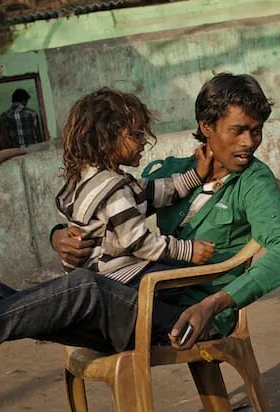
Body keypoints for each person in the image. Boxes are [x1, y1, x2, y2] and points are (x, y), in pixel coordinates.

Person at [0, 73, 280, 364]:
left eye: (257, 130)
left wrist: (217, 302)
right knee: (50, 298)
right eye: (239, 130)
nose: (251, 142)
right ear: (206, 127)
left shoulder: (255, 183)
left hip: (185, 321)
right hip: (138, 305)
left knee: (80, 289)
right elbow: (109, 209)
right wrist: (59, 237)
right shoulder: (169, 173)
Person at [54, 87, 216, 283]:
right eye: (136, 134)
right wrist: (186, 250)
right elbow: (138, 241)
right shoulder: (113, 191)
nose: (143, 142)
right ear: (109, 137)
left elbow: (157, 191)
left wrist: (197, 175)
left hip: (94, 277)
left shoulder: (93, 179)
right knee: (179, 278)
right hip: (113, 278)